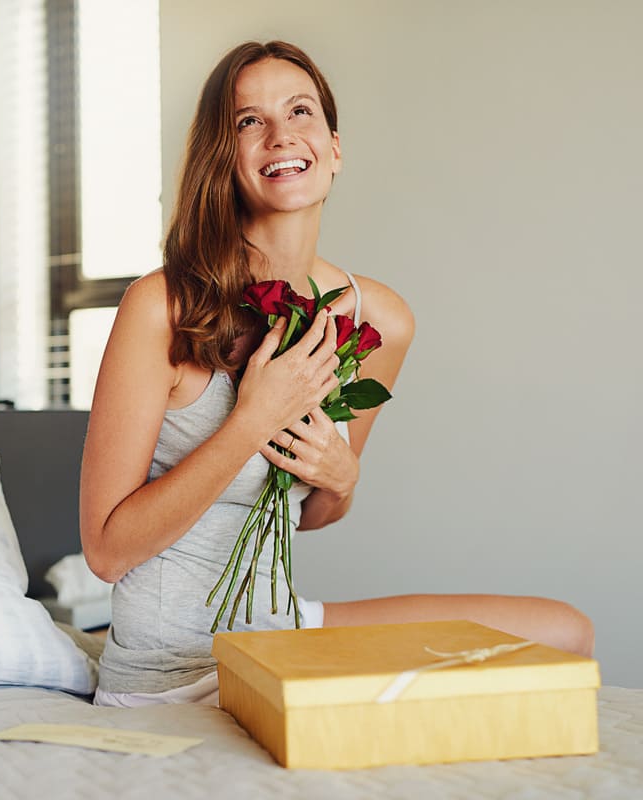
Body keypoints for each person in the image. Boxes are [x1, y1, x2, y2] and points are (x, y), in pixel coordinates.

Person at [80, 40, 593, 707]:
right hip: (171, 670)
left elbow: (316, 510)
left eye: (300, 112)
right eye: (248, 121)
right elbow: (106, 551)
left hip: (282, 638)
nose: (281, 135)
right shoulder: (163, 306)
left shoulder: (380, 318)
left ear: (334, 147)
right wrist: (251, 421)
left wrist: (344, 478)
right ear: (224, 155)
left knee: (565, 633)